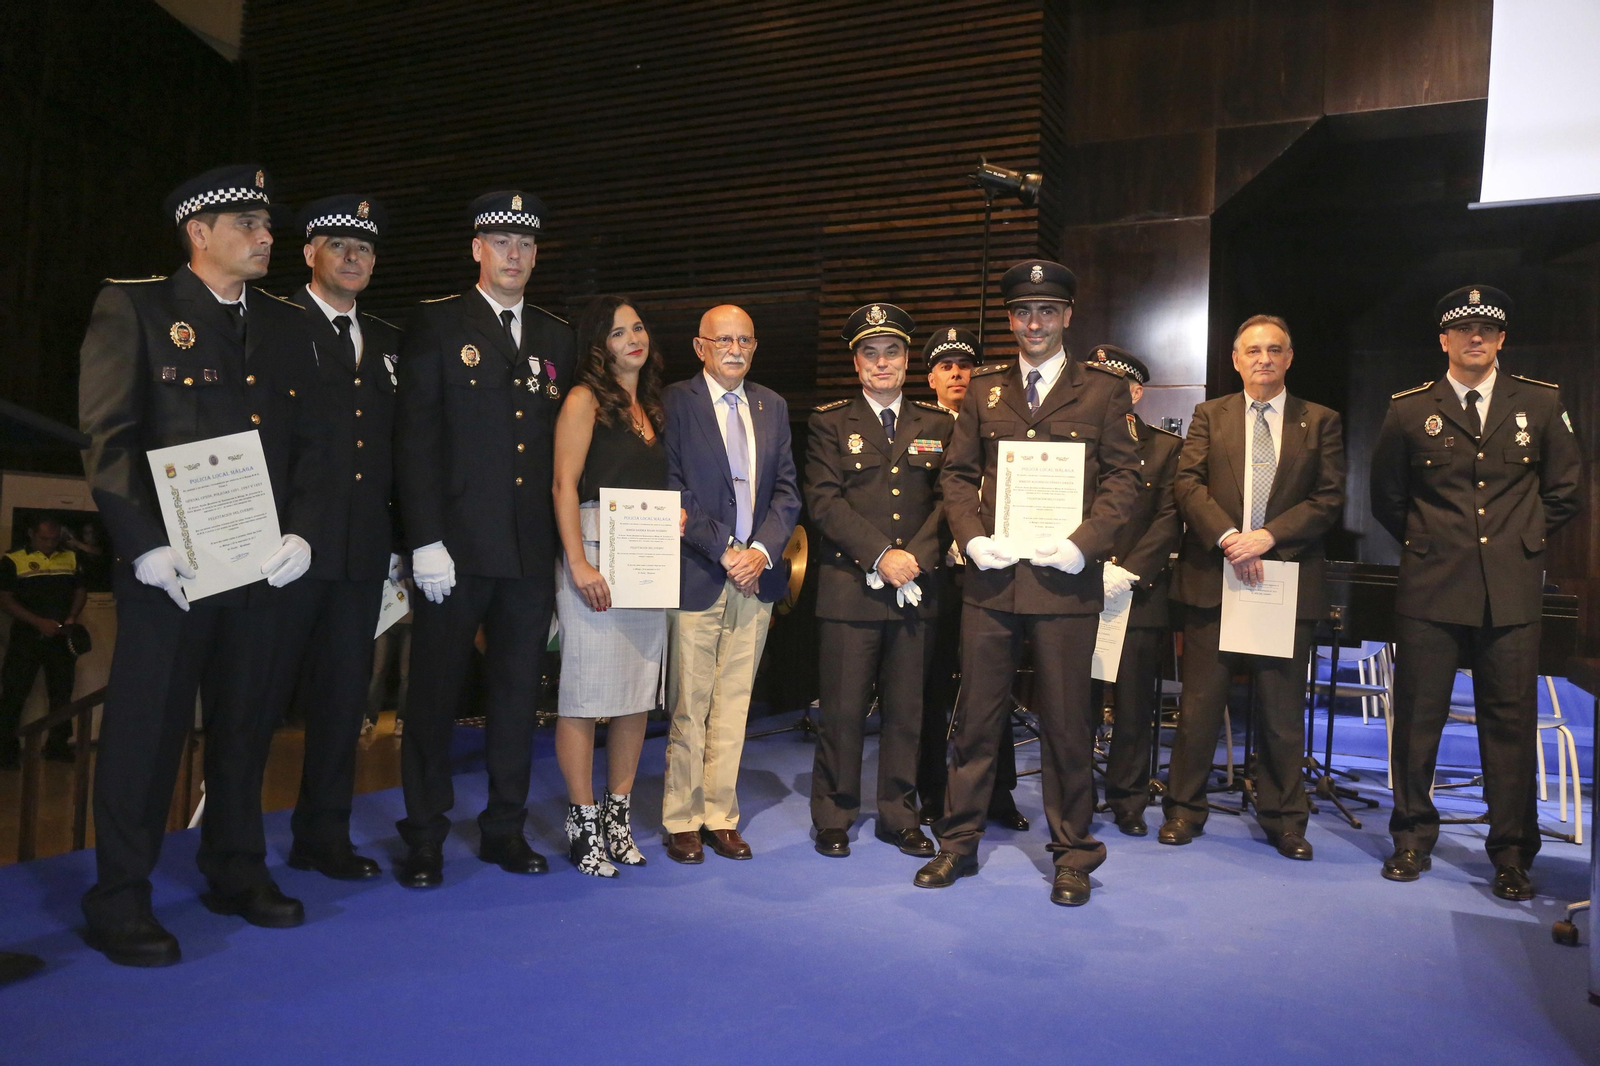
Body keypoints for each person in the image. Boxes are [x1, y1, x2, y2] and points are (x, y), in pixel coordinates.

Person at [77, 165, 318, 966]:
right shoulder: (139, 307)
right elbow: (109, 441)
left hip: (257, 572)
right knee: (146, 739)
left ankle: (235, 870)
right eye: (248, 223)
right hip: (170, 578)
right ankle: (120, 897)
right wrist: (142, 546)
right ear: (198, 232)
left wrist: (304, 532)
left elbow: (308, 446)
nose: (265, 236)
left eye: (268, 225)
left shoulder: (284, 325)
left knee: (246, 731)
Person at [915, 260, 1141, 906]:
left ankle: (1073, 853)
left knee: (1068, 725)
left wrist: (1084, 545)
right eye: (1022, 312)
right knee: (976, 721)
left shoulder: (1101, 392)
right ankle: (957, 843)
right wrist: (970, 535)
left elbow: (1125, 481)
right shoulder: (985, 391)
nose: (1033, 323)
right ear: (1011, 319)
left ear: (1067, 316)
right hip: (993, 583)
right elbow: (957, 476)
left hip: (1065, 585)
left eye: (1046, 311)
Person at [1371, 285, 1582, 900]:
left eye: (1486, 330)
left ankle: (1512, 854)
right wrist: (1430, 542)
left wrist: (1522, 541)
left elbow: (1566, 489)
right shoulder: (1411, 409)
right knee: (1416, 721)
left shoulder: (1540, 404)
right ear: (1444, 340)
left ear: (1501, 340)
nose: (1474, 339)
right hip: (1431, 587)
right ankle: (1411, 838)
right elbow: (1388, 495)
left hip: (1510, 592)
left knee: (1510, 725)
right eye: (1462, 330)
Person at [392, 190, 575, 888]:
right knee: (434, 697)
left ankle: (504, 828)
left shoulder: (557, 337)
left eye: (526, 244)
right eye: (502, 242)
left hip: (528, 556)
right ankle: (425, 835)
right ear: (477, 249)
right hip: (456, 553)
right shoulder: (439, 323)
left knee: (513, 700)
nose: (515, 255)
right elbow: (414, 440)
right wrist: (424, 539)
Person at [1159, 315, 1345, 861]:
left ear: (1290, 358)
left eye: (1274, 350)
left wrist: (1266, 536)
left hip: (1284, 579)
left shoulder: (1322, 421)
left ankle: (1286, 819)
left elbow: (1330, 498)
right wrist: (1227, 536)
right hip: (1213, 578)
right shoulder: (1207, 415)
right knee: (1197, 709)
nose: (1263, 358)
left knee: (1282, 713)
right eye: (1252, 350)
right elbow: (1186, 484)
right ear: (1236, 360)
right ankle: (1183, 810)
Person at [260, 195, 402, 881]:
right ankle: (233, 848)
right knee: (257, 703)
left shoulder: (386, 339)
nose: (353, 258)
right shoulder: (271, 323)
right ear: (309, 252)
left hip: (359, 555)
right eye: (339, 245)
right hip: (282, 555)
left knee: (344, 703)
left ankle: (324, 836)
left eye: (365, 249)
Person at [805, 303, 952, 859]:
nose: (882, 361)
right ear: (856, 361)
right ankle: (835, 815)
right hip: (851, 589)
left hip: (917, 586)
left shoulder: (938, 425)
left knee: (908, 712)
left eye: (892, 351)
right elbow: (823, 501)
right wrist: (881, 554)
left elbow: (949, 500)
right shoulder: (829, 421)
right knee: (841, 713)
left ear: (908, 359)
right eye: (871, 352)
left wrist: (914, 556)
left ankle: (899, 814)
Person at [660, 304, 801, 863]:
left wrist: (761, 552)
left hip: (755, 578)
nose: (735, 350)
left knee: (735, 701)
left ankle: (721, 816)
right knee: (690, 703)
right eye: (723, 341)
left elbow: (787, 492)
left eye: (745, 340)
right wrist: (725, 549)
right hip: (698, 572)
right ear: (701, 347)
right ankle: (681, 819)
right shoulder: (674, 402)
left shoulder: (773, 405)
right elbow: (672, 490)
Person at [549, 295, 669, 877]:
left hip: (645, 557)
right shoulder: (583, 400)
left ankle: (618, 818)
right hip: (594, 553)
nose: (633, 339)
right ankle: (583, 822)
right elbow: (563, 485)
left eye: (638, 328)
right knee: (584, 694)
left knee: (635, 694)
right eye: (619, 332)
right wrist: (577, 562)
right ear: (599, 346)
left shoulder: (651, 406)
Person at [916, 327, 1028, 831]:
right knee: (933, 687)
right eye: (947, 366)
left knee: (992, 687)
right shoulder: (921, 427)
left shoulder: (1000, 419)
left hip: (994, 573)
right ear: (931, 377)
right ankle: (933, 791)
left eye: (966, 365)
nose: (958, 373)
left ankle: (998, 794)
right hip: (940, 574)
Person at [1085, 345, 1183, 836]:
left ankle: (1128, 799)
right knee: (1075, 702)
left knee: (1133, 705)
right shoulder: (1075, 437)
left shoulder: (1165, 447)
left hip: (1137, 592)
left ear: (1137, 392)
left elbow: (1171, 516)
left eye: (1115, 384)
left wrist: (1129, 571)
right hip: (1077, 585)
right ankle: (1075, 795)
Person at [0, 516, 86, 765]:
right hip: (26, 635)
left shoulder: (70, 557)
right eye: (43, 538)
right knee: (14, 692)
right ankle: (6, 750)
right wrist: (37, 622)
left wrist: (71, 617)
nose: (49, 544)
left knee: (61, 694)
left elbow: (81, 590)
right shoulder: (13, 560)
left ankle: (57, 746)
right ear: (31, 534)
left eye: (53, 538)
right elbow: (5, 599)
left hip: (61, 635)